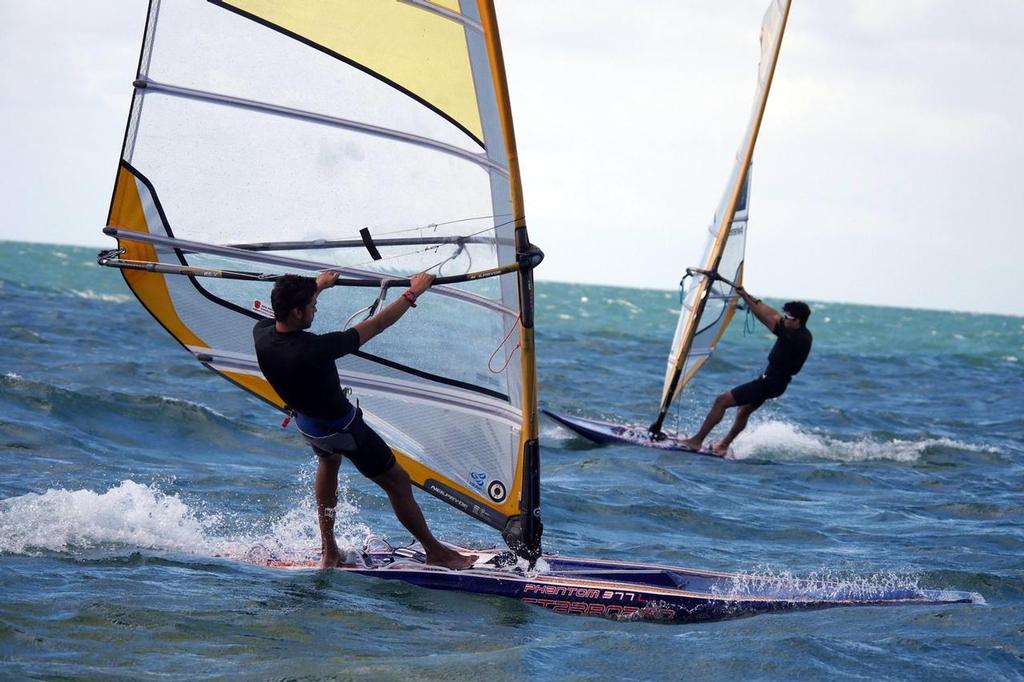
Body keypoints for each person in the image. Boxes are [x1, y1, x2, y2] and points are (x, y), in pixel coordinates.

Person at [253, 270, 477, 570]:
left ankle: (329, 550)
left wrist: (316, 287)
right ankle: (435, 551)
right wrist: (414, 293)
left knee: (329, 462)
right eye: (311, 305)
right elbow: (379, 323)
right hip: (345, 429)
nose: (315, 308)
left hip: (309, 426)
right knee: (398, 482)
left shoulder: (261, 335)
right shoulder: (315, 349)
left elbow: (285, 317)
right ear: (296, 311)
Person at [680, 287, 812, 456]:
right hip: (775, 383)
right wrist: (747, 295)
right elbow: (772, 314)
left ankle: (696, 441)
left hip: (770, 383)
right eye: (785, 316)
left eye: (788, 318)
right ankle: (723, 446)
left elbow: (766, 319)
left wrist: (747, 300)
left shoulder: (794, 337)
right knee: (744, 410)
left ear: (798, 321)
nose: (784, 319)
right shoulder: (798, 331)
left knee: (721, 401)